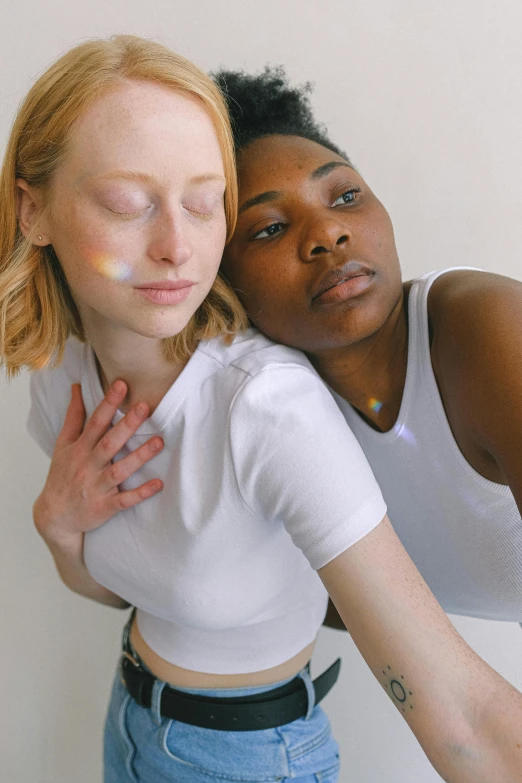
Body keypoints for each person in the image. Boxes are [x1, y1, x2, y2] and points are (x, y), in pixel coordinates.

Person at [2, 39, 521, 783]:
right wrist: (57, 525)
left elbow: (463, 718)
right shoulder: (59, 369)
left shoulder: (270, 407)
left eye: (205, 202)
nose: (177, 247)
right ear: (33, 210)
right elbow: (133, 584)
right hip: (131, 723)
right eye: (127, 203)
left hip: (248, 755)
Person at [212, 66, 522, 631]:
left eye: (346, 196)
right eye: (269, 228)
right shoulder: (265, 415)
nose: (328, 233)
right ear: (221, 280)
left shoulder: (491, 329)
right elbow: (246, 592)